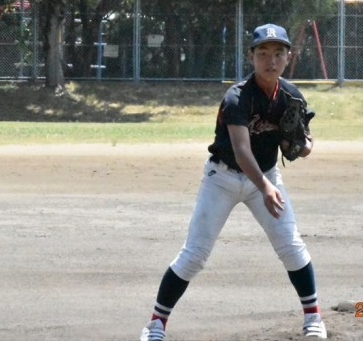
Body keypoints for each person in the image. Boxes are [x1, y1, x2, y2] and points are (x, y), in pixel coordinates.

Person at [139, 23, 327, 340]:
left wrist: (300, 144)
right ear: (251, 57)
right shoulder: (237, 97)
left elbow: (306, 145)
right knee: (195, 254)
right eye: (263, 53)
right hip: (222, 179)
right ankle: (155, 324)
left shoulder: (292, 96)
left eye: (278, 53)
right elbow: (241, 151)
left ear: (288, 57)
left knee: (291, 245)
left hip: (266, 177)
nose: (271, 60)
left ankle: (313, 319)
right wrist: (266, 188)